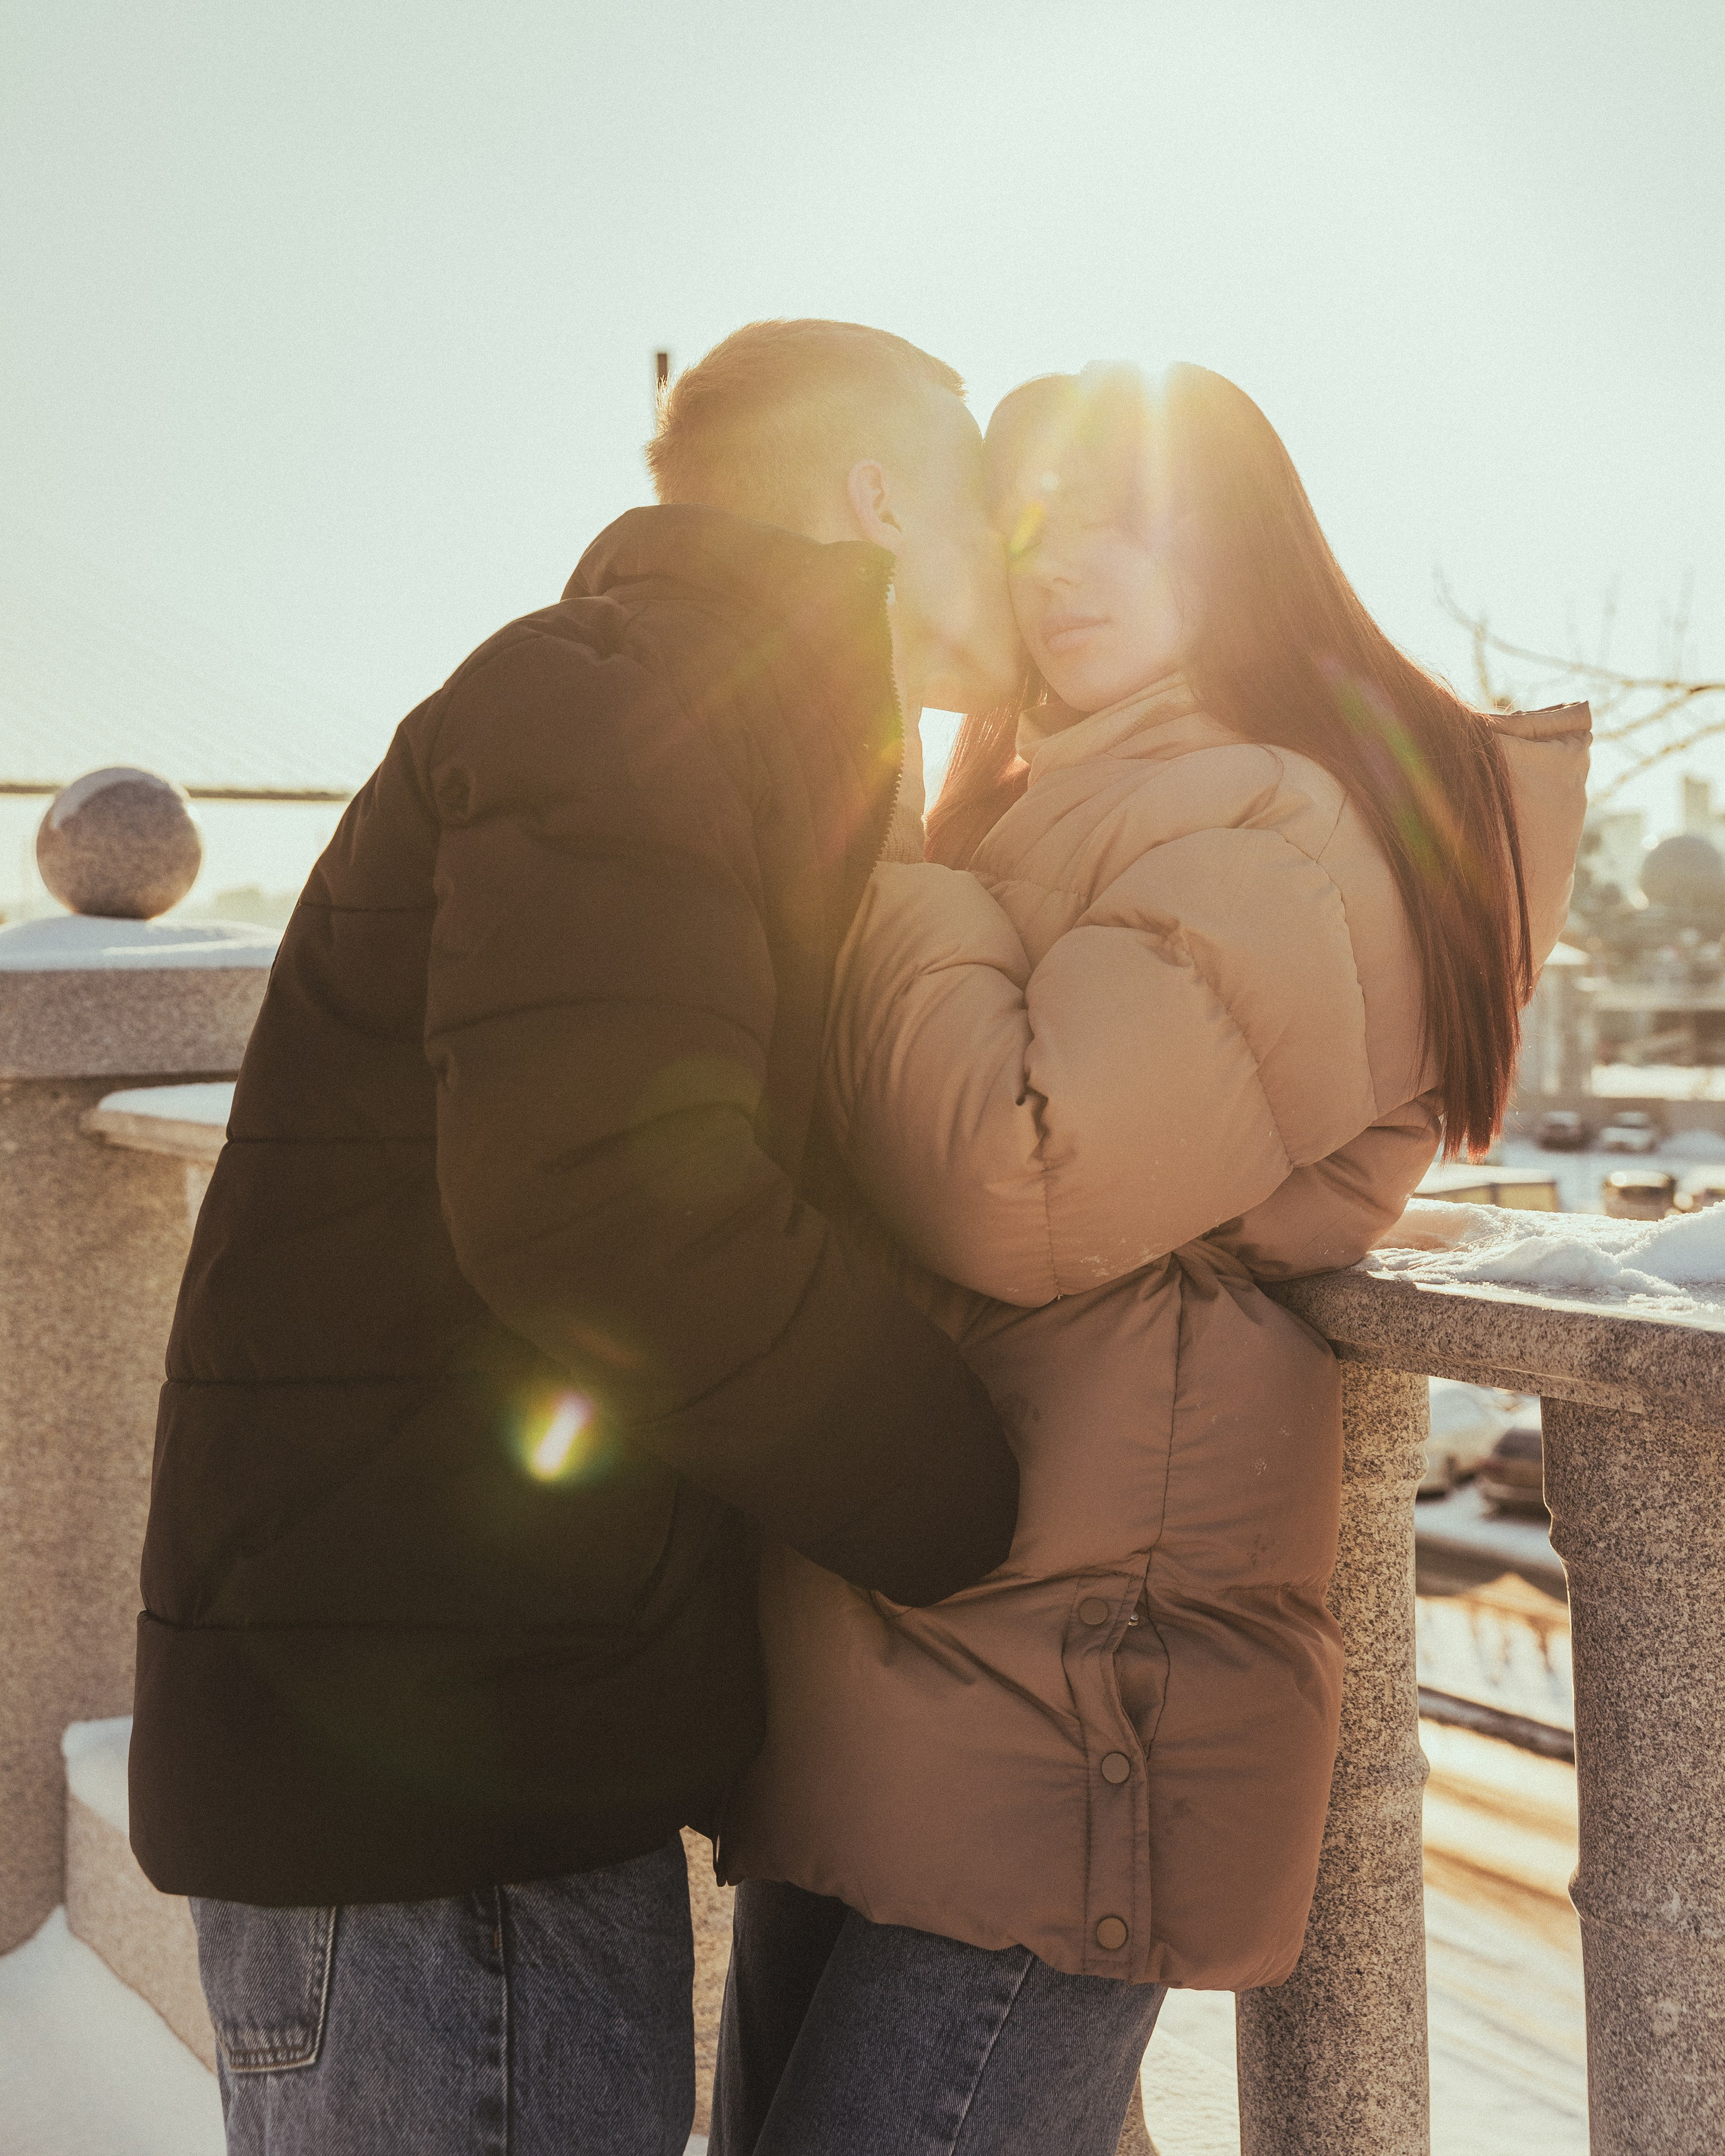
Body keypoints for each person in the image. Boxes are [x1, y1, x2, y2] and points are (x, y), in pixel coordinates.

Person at [129, 319, 1026, 2155]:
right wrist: (970, 1496)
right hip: (446, 1807)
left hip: (450, 1761)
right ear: (875, 494)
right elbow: (615, 1207)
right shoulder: (629, 705)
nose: (1014, 551)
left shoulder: (690, 712)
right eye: (981, 502)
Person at [711, 362, 1591, 2155]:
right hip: (912, 1666)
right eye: (1026, 520)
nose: (1055, 565)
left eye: (1121, 516)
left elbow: (1021, 1179)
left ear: (1242, 551)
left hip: (1064, 1706)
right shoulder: (1066, 806)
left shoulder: (1277, 816)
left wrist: (882, 851)